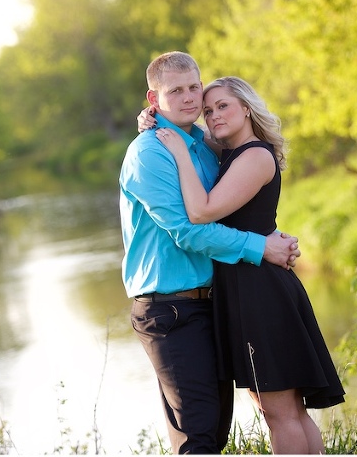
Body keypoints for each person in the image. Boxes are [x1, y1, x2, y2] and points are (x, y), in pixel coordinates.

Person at [119, 52, 301, 454]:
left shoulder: (202, 143)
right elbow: (188, 231)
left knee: (215, 433)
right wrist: (261, 247)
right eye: (174, 91)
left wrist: (269, 233)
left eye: (192, 87)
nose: (188, 98)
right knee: (197, 435)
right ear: (154, 97)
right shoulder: (150, 153)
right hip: (169, 310)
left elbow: (241, 194)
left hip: (213, 304)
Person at [154, 76, 345, 454]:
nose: (213, 115)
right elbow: (195, 134)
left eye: (223, 105)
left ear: (246, 107)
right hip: (247, 287)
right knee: (285, 409)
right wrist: (155, 118)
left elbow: (201, 211)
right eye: (208, 110)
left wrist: (177, 152)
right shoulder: (234, 153)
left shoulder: (255, 155)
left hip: (260, 292)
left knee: (281, 413)